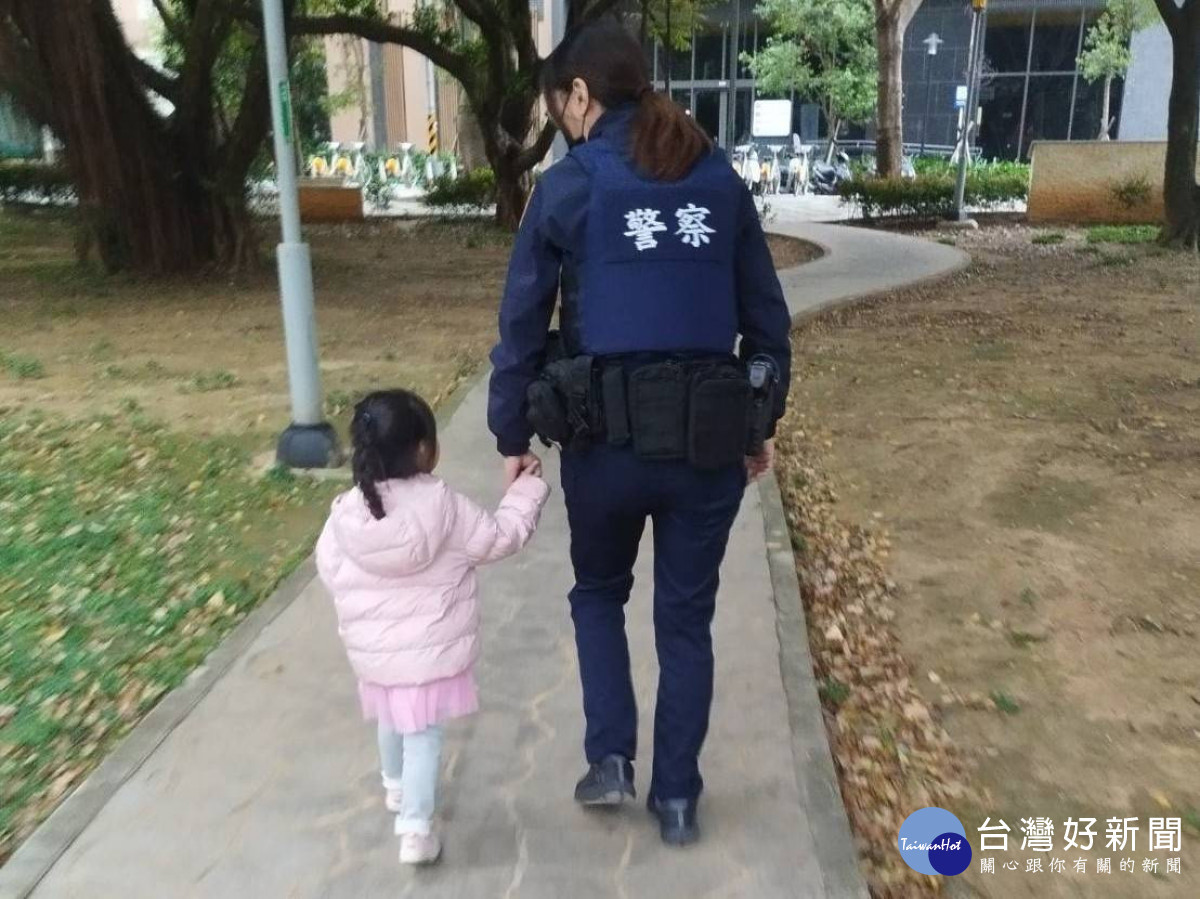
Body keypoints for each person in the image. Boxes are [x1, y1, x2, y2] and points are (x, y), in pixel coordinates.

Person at [487, 21, 792, 846]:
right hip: (705, 454)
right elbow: (768, 323)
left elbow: (521, 325)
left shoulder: (570, 186)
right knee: (685, 622)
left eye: (560, 108)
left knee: (597, 593)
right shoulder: (719, 182)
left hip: (605, 448)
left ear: (581, 96)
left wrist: (511, 431)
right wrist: (759, 423)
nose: (561, 124)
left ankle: (611, 757)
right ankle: (680, 799)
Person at [315, 389, 550, 865]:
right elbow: (500, 538)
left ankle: (395, 788)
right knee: (423, 733)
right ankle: (416, 831)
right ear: (424, 449)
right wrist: (524, 491)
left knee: (391, 716)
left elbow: (329, 566)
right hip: (431, 653)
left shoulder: (346, 511)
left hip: (375, 653)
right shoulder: (443, 506)